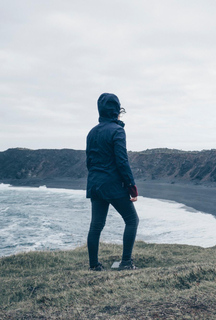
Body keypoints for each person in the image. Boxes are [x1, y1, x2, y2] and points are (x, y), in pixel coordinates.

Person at [86, 93, 139, 271]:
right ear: (116, 110)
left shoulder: (92, 132)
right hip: (113, 184)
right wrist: (131, 186)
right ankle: (125, 262)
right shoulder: (117, 131)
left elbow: (89, 162)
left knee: (96, 225)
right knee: (132, 219)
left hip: (95, 184)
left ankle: (94, 265)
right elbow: (122, 161)